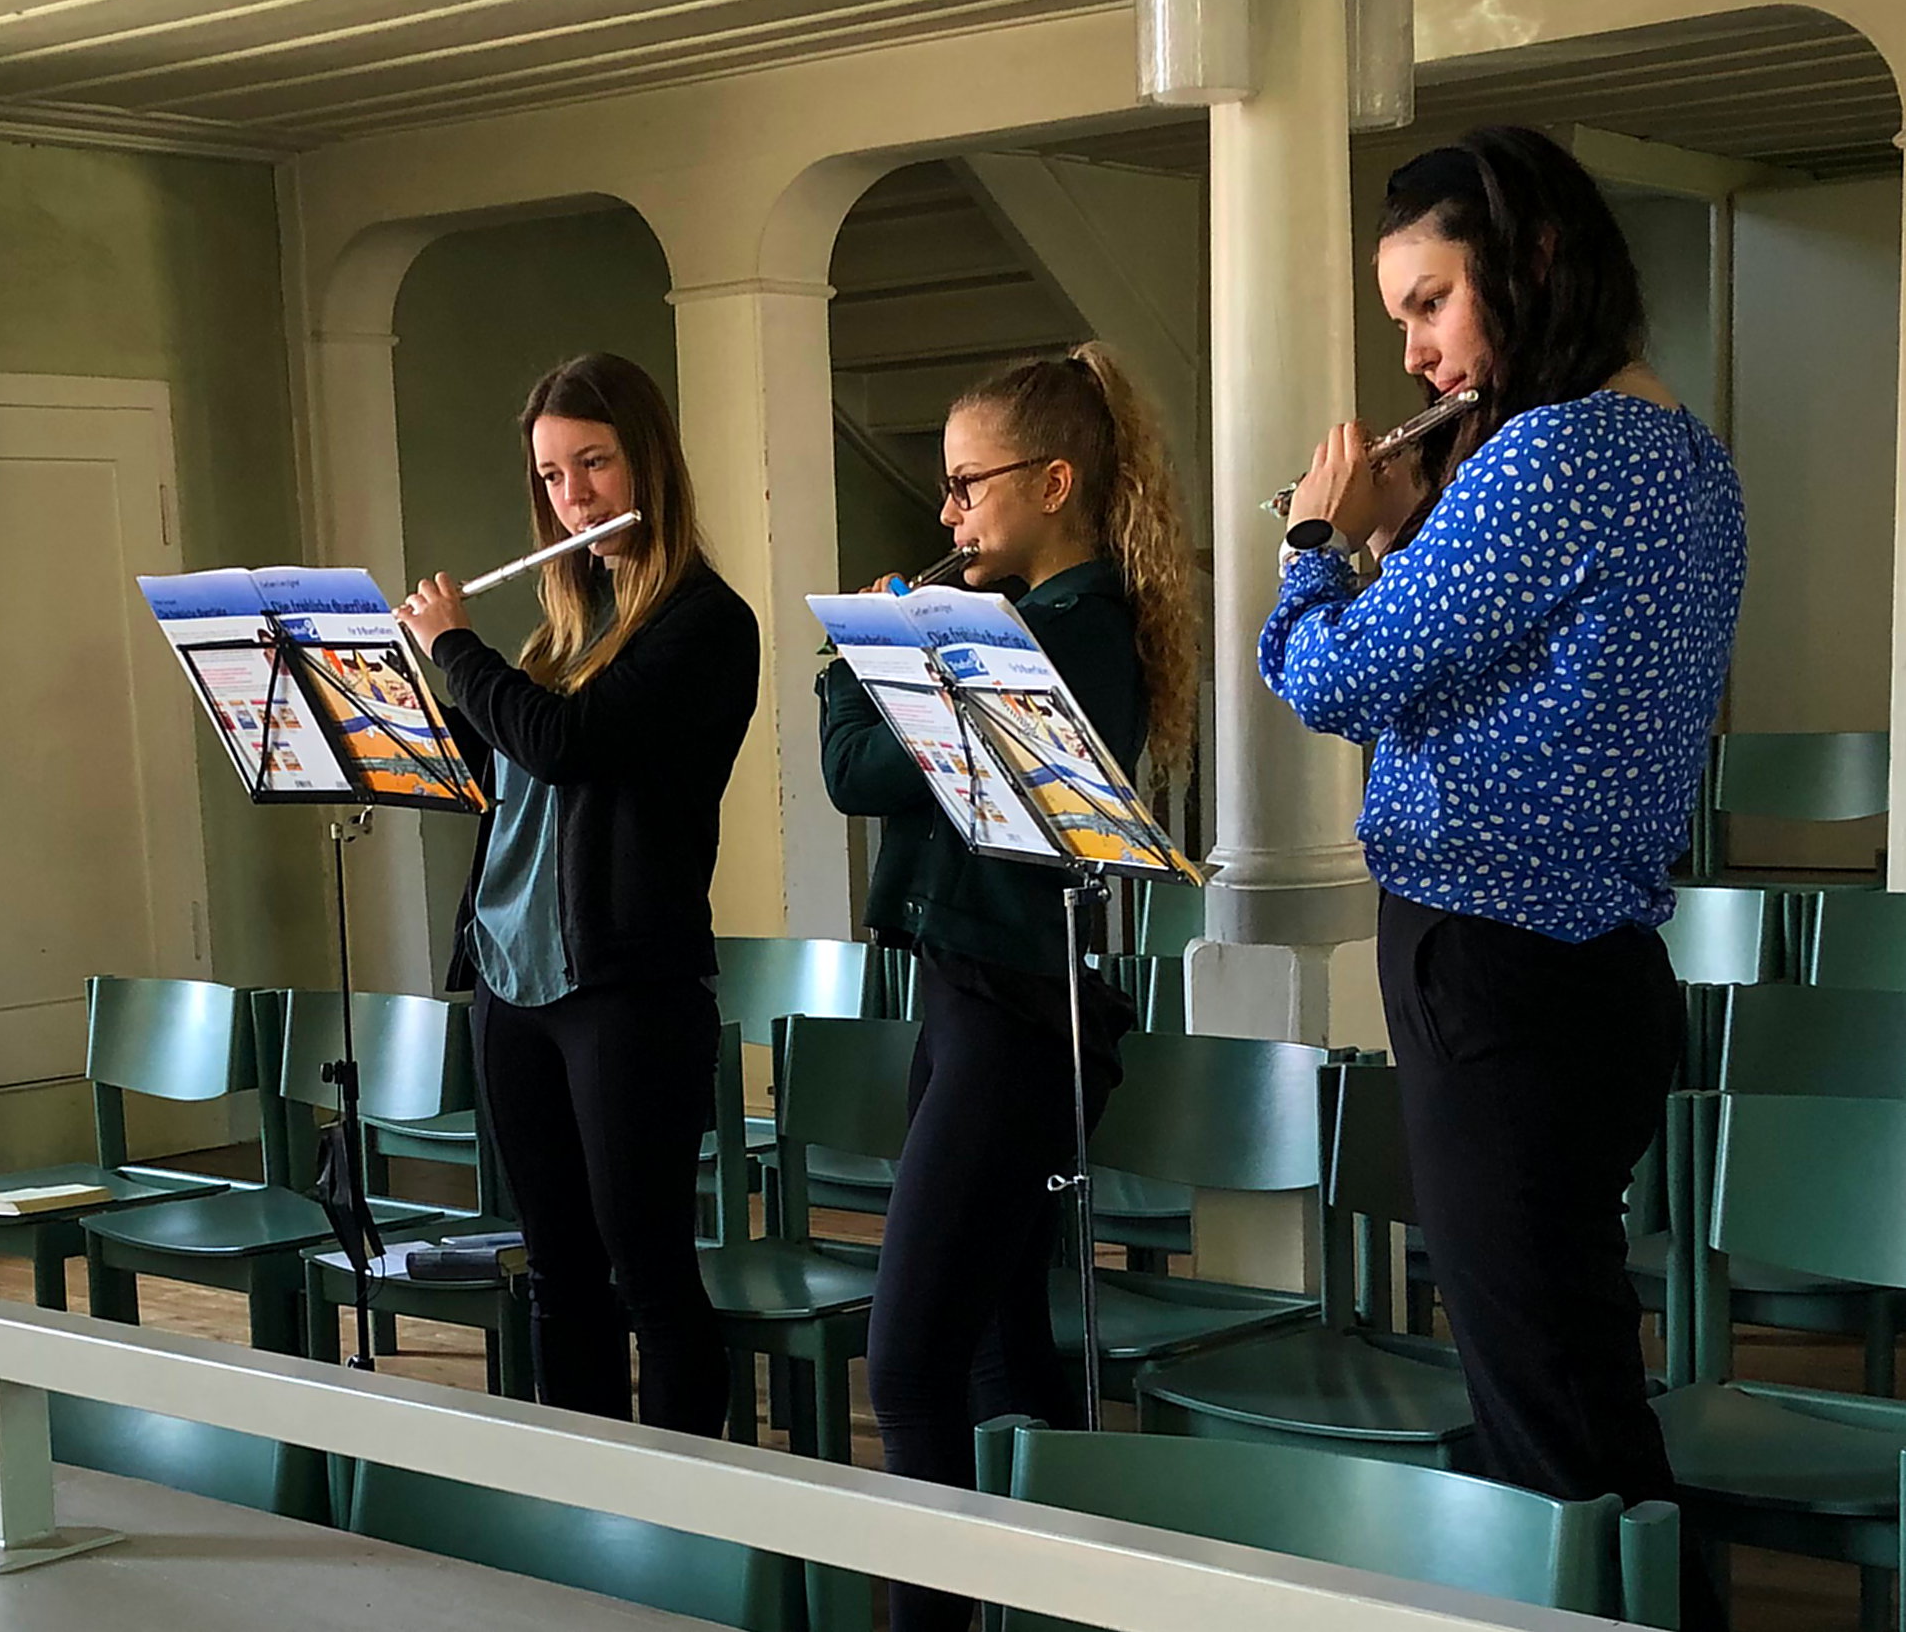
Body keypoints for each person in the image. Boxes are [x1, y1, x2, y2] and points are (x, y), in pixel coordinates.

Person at [1261, 128, 1743, 1553]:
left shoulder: (1545, 457)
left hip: (1497, 975)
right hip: (1590, 975)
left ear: (1531, 265)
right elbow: (1517, 682)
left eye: (1428, 302)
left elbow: (1330, 676)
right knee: (1572, 1380)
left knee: (1554, 1424)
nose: (1410, 352)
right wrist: (1417, 541)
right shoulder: (1682, 451)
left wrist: (1316, 542)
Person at [817, 342, 1198, 1632]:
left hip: (1018, 1021)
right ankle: (1031, 1603)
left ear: (1053, 481)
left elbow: (861, 775)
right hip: (972, 1004)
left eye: (967, 484)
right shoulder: (1014, 627)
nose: (948, 512)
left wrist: (848, 665)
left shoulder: (1065, 637)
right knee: (991, 1341)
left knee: (909, 1355)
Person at [394, 352, 758, 1435]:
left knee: (649, 1269)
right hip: (512, 975)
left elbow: (566, 744)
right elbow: (502, 773)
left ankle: (695, 1515)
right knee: (557, 1267)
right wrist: (416, 686)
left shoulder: (702, 622)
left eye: (593, 464)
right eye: (551, 476)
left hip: (625, 987)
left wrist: (457, 646)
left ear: (647, 457)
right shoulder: (566, 626)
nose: (574, 497)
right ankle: (588, 1511)